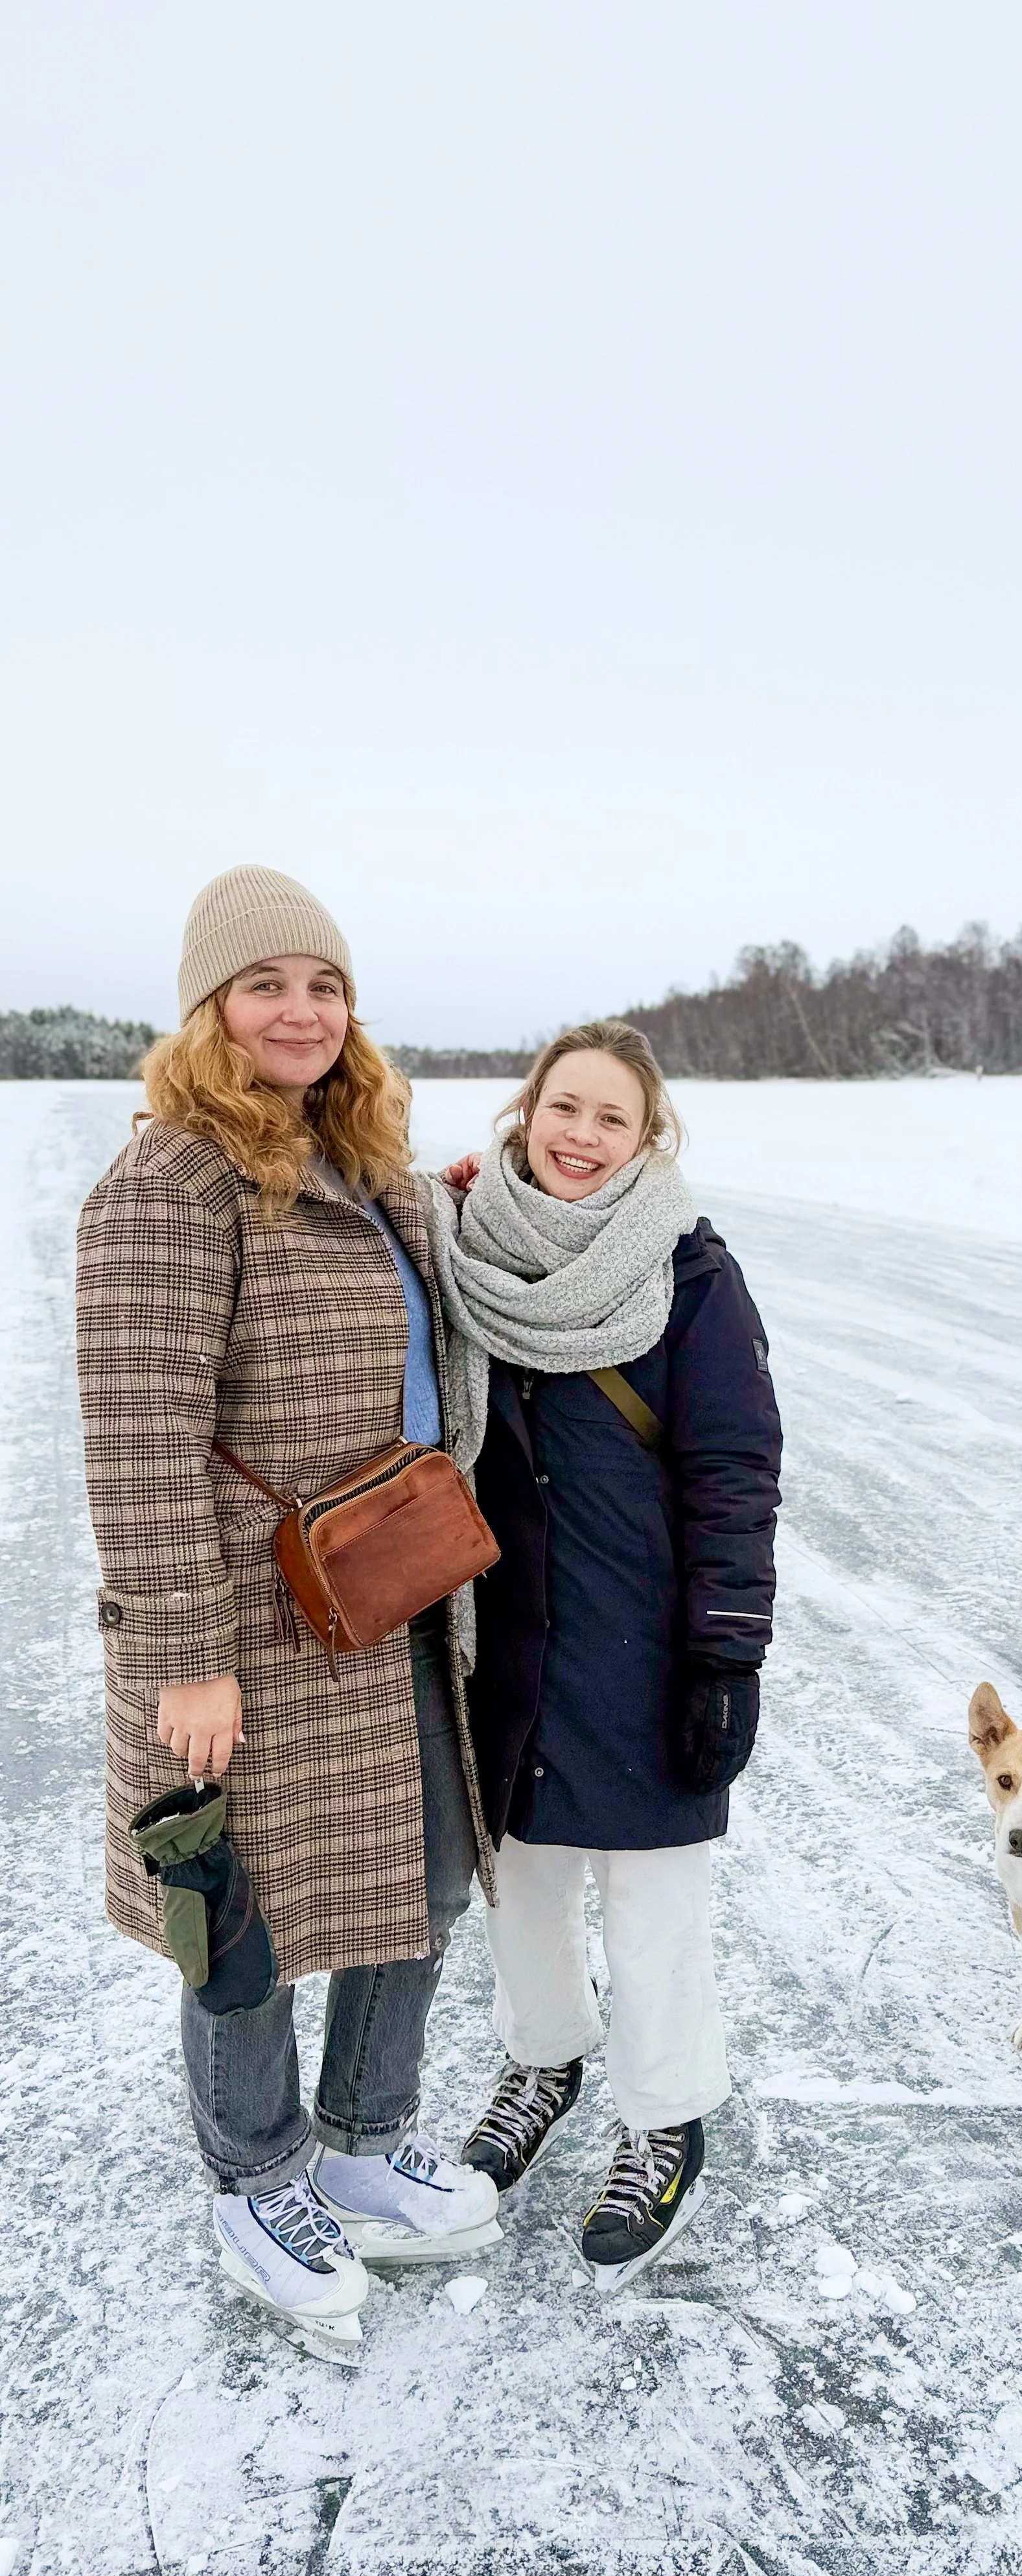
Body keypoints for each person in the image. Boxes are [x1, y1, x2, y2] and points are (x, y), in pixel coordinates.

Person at [75, 864, 500, 2357]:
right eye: (267, 987)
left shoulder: (372, 1163)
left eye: (324, 987)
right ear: (211, 1009)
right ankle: (257, 2181)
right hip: (246, 1633)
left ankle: (366, 2139)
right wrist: (182, 1661)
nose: (302, 1012)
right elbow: (139, 1441)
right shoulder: (172, 1182)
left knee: (429, 1881)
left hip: (384, 1599)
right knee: (240, 1926)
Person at [423, 1021, 782, 2289]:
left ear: (650, 1138)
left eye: (611, 1119)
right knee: (520, 1886)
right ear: (523, 1111)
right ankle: (544, 2058)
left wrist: (726, 1654)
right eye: (561, 1108)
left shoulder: (690, 1275)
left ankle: (665, 2115)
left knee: (654, 1907)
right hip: (507, 1637)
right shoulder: (461, 1244)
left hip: (645, 1643)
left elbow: (735, 1471)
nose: (580, 1136)